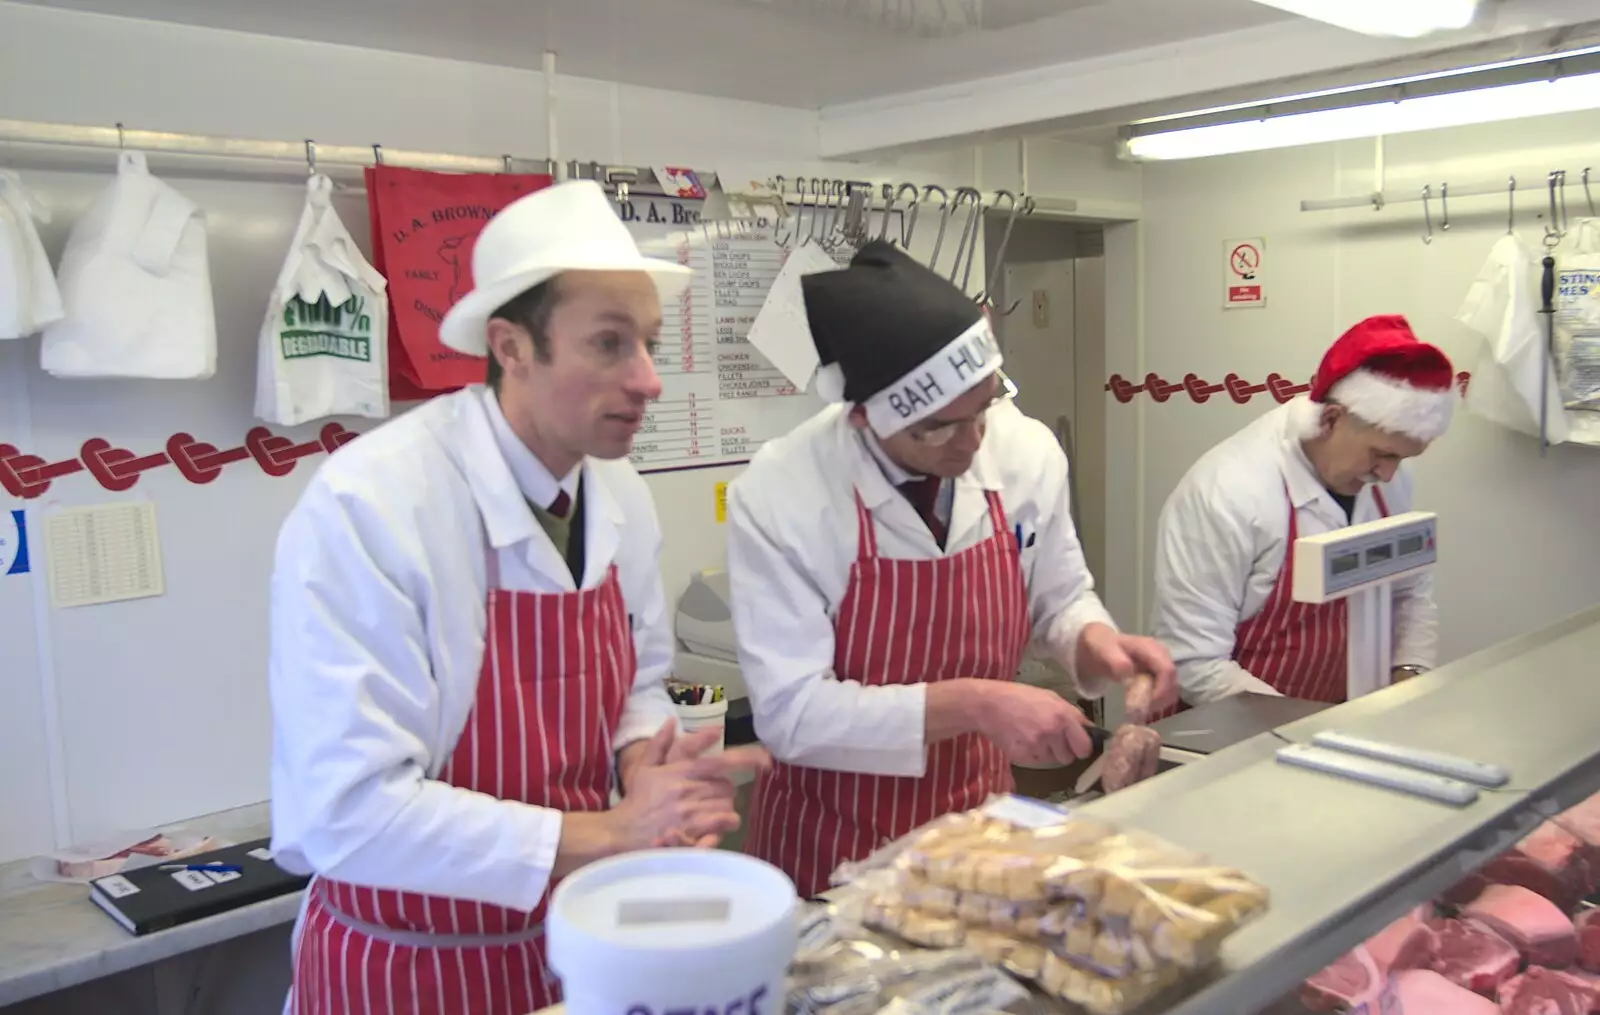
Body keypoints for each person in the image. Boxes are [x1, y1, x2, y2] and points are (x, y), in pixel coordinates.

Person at [267, 179, 769, 1015]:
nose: (647, 379)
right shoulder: (374, 502)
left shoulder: (616, 492)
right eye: (609, 344)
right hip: (407, 968)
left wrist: (649, 759)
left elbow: (637, 685)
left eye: (647, 343)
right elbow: (343, 813)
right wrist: (614, 831)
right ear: (511, 346)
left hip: (570, 949)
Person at [724, 240, 1176, 897]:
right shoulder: (783, 493)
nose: (972, 442)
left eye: (984, 408)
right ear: (862, 419)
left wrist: (1097, 643)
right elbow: (792, 714)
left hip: (980, 825)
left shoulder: (1024, 452)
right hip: (833, 843)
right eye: (937, 428)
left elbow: (1060, 593)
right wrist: (977, 701)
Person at [1151, 314, 1455, 708]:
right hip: (1221, 729)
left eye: (1402, 458)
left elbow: (1409, 590)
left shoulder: (1389, 473)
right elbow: (1195, 665)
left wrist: (1407, 679)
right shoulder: (1227, 492)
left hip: (1326, 720)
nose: (1388, 474)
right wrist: (1308, 737)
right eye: (1382, 455)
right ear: (1331, 419)